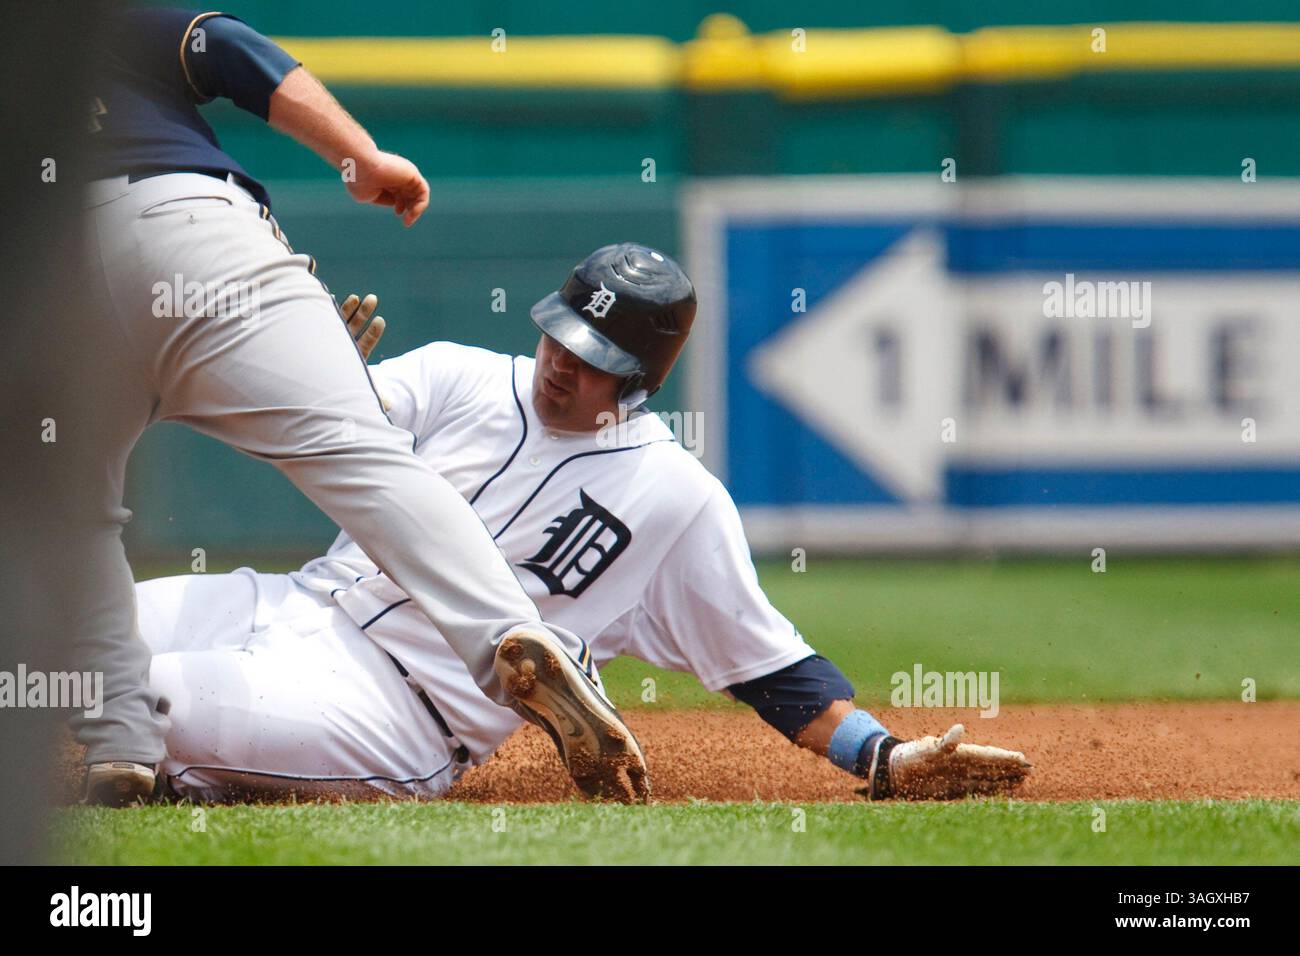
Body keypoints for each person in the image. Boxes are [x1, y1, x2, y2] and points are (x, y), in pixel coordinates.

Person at [132, 243, 1032, 802]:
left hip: (392, 708)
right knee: (73, 645)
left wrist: (878, 756)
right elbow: (308, 436)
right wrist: (306, 376)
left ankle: (180, 774)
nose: (562, 364)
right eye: (561, 335)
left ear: (642, 380)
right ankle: (190, 779)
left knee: (147, 701)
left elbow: (771, 666)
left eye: (595, 358)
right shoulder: (455, 375)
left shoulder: (675, 498)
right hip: (289, 605)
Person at [77, 8, 646, 805]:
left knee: (67, 516)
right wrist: (360, 157)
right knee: (362, 454)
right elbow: (225, 51)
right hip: (191, 226)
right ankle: (508, 636)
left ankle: (121, 745)